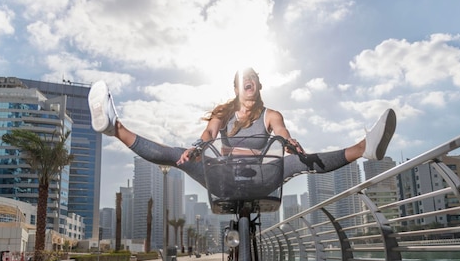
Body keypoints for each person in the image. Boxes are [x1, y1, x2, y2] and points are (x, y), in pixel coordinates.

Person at [88, 67, 396, 190]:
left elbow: (282, 134)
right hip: (221, 174)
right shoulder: (224, 112)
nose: (247, 81)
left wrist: (292, 144)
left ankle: (363, 148)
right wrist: (197, 146)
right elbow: (209, 134)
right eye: (241, 79)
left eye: (251, 77)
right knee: (175, 155)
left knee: (297, 162)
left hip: (261, 176)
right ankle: (114, 127)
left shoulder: (272, 114)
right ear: (237, 88)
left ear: (258, 85)